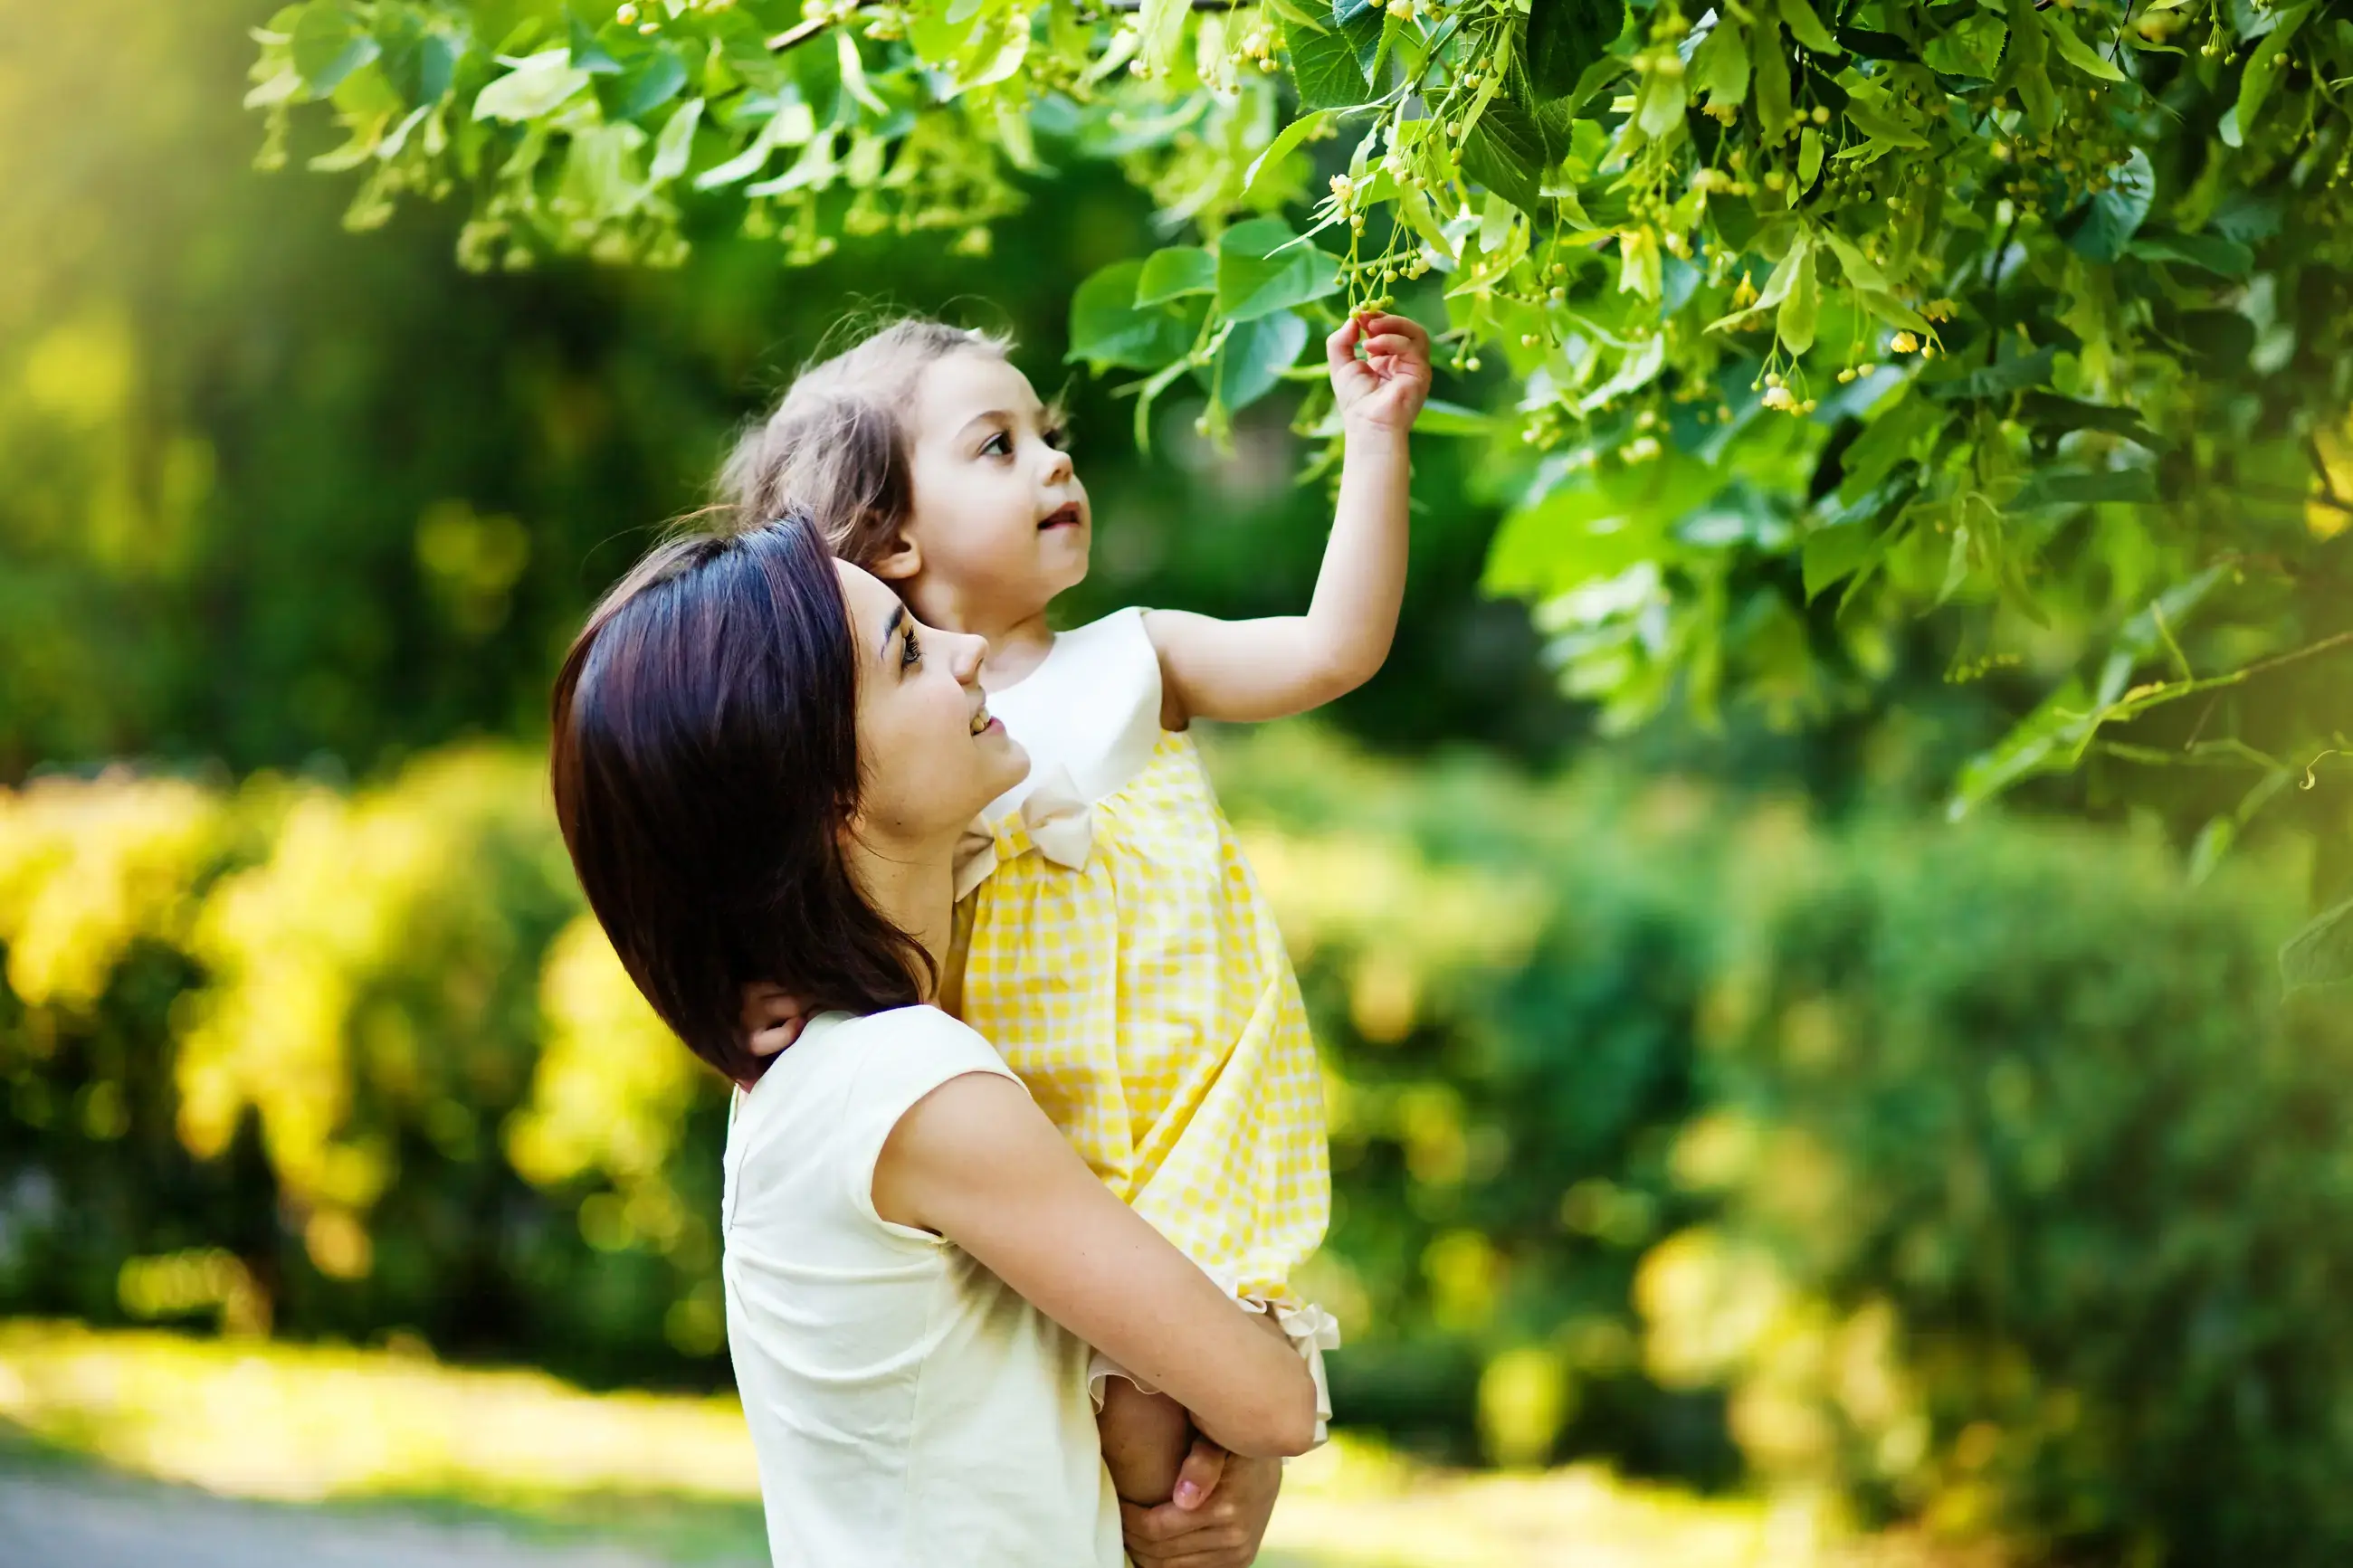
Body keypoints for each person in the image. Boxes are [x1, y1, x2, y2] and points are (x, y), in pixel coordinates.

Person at [721, 307, 1432, 1502]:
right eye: (996, 445)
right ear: (889, 536)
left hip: (1192, 1139)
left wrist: (1374, 441)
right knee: (1117, 1471)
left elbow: (1330, 649)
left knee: (1177, 1470)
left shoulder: (1138, 661)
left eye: (1048, 433)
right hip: (1043, 1182)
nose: (1055, 460)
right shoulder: (887, 758)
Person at [548, 515, 1319, 1566]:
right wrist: (1250, 1422)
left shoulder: (832, 1076)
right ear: (828, 792)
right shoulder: (907, 1085)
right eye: (907, 649)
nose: (964, 650)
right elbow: (1267, 1397)